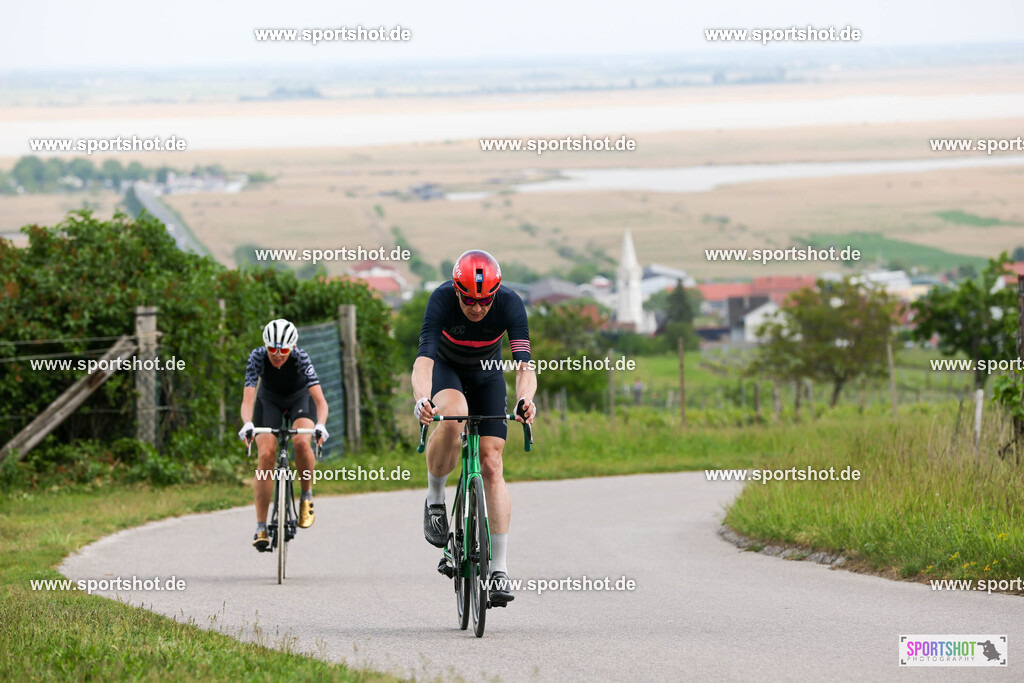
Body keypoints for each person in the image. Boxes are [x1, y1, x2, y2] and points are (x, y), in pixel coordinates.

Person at [412, 250, 536, 605]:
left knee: (492, 463)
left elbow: (525, 365)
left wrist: (526, 399)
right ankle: (436, 496)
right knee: (455, 417)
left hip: (487, 376)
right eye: (469, 300)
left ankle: (499, 569)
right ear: (456, 290)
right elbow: (423, 360)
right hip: (447, 372)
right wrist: (421, 399)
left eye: (485, 301)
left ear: (496, 293)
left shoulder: (511, 304)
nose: (478, 308)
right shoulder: (441, 299)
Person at [238, 319, 328, 551]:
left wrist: (321, 424)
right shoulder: (257, 357)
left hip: (299, 400)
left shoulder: (301, 357)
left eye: (284, 350)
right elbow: (248, 399)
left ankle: (306, 495)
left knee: (300, 441)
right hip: (269, 401)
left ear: (293, 347)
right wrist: (247, 423)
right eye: (273, 349)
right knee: (266, 455)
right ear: (266, 346)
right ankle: (261, 526)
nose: (278, 355)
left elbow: (320, 401)